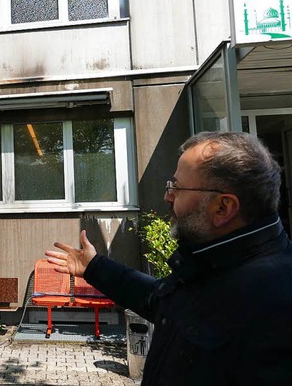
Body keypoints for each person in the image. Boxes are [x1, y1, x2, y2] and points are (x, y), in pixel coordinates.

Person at [46, 131, 292, 384]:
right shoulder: (215, 262)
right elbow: (162, 301)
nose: (167, 196)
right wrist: (94, 267)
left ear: (223, 207)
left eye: (177, 188)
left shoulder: (276, 305)